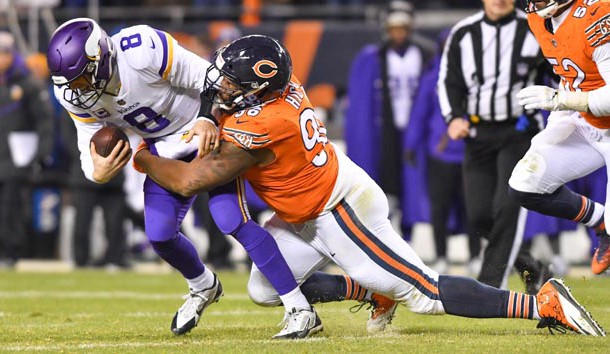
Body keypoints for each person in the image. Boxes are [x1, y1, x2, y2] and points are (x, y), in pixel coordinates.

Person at [134, 34, 605, 336]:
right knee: (264, 289)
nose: (224, 88)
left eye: (235, 84)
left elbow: (192, 178)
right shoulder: (279, 87)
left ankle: (540, 301)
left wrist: (140, 156)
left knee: (424, 295)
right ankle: (371, 291)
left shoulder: (265, 121)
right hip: (305, 209)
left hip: (339, 210)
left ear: (258, 89)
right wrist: (205, 115)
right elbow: (222, 109)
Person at [46, 18, 321, 339]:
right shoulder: (71, 93)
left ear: (101, 57)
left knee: (231, 220)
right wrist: (98, 173)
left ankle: (299, 308)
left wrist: (206, 118)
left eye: (80, 80)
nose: (76, 90)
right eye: (70, 83)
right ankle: (203, 286)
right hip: (163, 148)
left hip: (207, 133)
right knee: (159, 235)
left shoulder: (141, 50)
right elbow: (88, 148)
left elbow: (210, 78)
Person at [437, 0, 552, 292]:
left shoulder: (534, 27)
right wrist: (453, 118)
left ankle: (489, 288)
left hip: (519, 131)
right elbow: (448, 81)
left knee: (507, 206)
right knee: (478, 215)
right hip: (477, 133)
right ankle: (531, 267)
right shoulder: (464, 33)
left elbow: (558, 69)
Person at [509, 0, 610, 276]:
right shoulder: (538, 18)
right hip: (583, 117)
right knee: (525, 185)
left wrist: (560, 99)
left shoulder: (597, 16)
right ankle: (599, 220)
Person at [344, 1, 431, 240]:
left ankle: (408, 237)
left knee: (411, 187)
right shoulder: (373, 57)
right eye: (395, 28)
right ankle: (386, 238)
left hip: (415, 129)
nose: (399, 33)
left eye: (403, 28)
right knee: (386, 183)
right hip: (386, 130)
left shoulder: (424, 53)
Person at [403, 29, 479, 276]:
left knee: (472, 208)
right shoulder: (432, 76)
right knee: (440, 207)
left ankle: (475, 255)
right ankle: (441, 257)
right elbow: (419, 113)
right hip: (441, 153)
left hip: (470, 150)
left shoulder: (476, 74)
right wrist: (411, 144)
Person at [0, 30, 55, 267]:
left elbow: (44, 120)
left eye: (4, 53)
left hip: (15, 156)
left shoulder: (27, 83)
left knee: (10, 207)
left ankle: (9, 252)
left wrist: (41, 154)